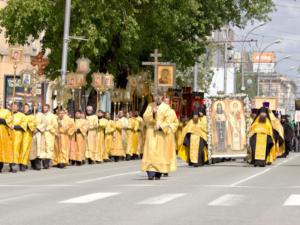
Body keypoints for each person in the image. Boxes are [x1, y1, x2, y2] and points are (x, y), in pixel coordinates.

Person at [141, 91, 173, 180]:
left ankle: (158, 172)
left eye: (159, 96)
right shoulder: (150, 106)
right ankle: (150, 171)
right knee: (150, 150)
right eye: (155, 96)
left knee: (160, 151)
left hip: (161, 133)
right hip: (151, 131)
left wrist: (161, 126)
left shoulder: (166, 107)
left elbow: (169, 120)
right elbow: (145, 117)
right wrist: (152, 113)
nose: (157, 97)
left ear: (162, 97)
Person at [10, 103, 26, 172]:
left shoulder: (22, 115)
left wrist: (15, 127)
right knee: (10, 150)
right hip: (9, 134)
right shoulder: (9, 114)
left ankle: (14, 165)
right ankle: (11, 165)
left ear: (18, 108)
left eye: (15, 106)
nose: (13, 108)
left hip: (17, 135)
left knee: (15, 150)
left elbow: (24, 125)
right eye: (12, 106)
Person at [20, 104, 36, 171]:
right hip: (19, 134)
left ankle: (24, 163)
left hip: (27, 134)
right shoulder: (20, 115)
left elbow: (34, 124)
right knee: (19, 149)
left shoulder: (32, 116)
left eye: (26, 107)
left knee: (25, 149)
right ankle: (19, 163)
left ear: (28, 108)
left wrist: (27, 124)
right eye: (24, 108)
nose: (25, 109)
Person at [29, 103, 46, 170]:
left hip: (39, 134)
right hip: (31, 134)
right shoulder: (30, 115)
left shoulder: (41, 115)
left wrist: (38, 128)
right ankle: (32, 163)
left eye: (35, 106)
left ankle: (38, 163)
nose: (34, 107)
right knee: (31, 149)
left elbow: (44, 123)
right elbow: (28, 123)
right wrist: (32, 129)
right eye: (33, 106)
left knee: (38, 149)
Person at [41, 104, 58, 169]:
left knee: (49, 147)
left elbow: (55, 124)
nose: (44, 109)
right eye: (44, 108)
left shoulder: (52, 116)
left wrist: (48, 128)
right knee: (43, 147)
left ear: (48, 108)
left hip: (49, 133)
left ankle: (47, 162)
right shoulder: (41, 115)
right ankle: (43, 161)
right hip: (42, 133)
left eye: (46, 108)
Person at [0, 103, 13, 173]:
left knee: (1, 151)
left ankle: (0, 166)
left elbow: (9, 121)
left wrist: (3, 121)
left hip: (3, 134)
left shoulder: (6, 112)